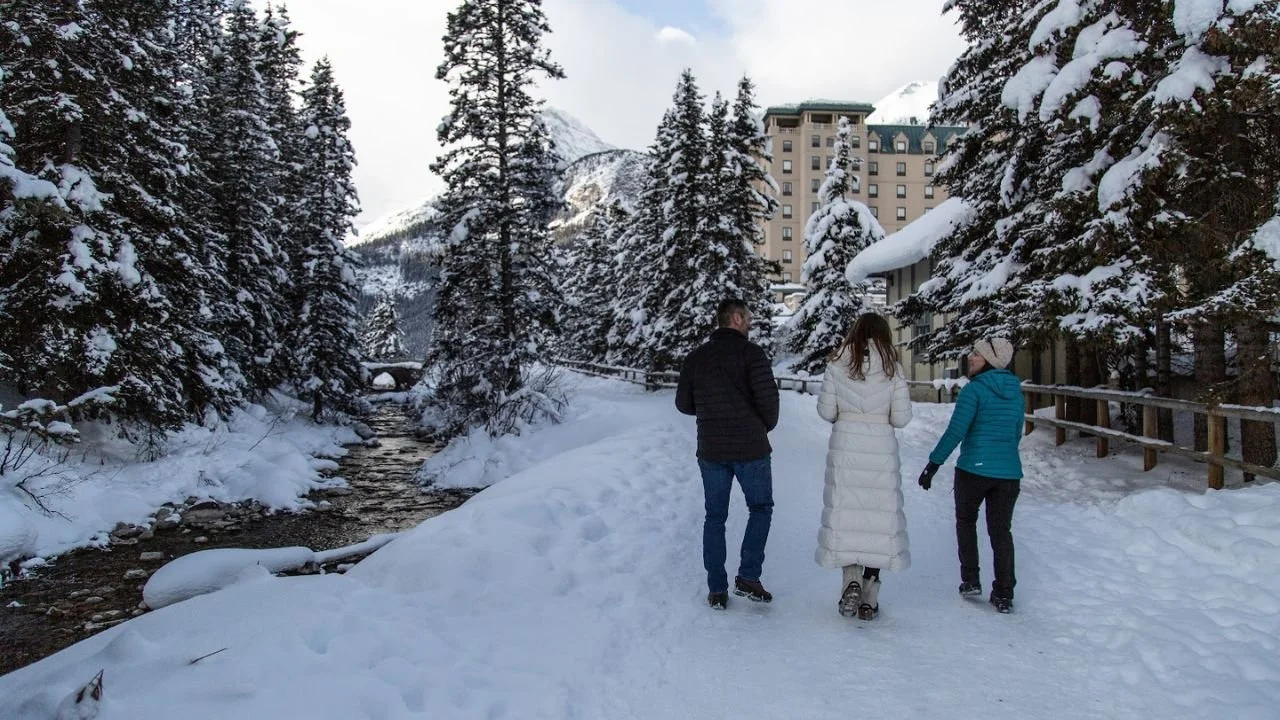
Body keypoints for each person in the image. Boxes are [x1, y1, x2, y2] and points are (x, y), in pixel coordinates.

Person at [676, 299, 780, 610]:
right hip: (751, 448)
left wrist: (710, 411)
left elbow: (683, 403)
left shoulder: (696, 358)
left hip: (712, 449)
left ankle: (717, 588)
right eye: (747, 317)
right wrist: (761, 426)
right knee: (760, 508)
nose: (750, 322)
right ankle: (748, 576)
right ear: (735, 318)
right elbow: (769, 401)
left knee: (715, 517)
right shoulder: (752, 354)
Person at [814, 313, 913, 620]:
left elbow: (826, 410)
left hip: (847, 447)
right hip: (880, 449)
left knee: (848, 518)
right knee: (876, 523)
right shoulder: (892, 369)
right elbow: (901, 418)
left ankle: (850, 579)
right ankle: (869, 596)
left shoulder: (837, 364)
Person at [917, 338, 1024, 614]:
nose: (971, 357)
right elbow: (1015, 433)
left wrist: (933, 465)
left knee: (966, 522)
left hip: (973, 470)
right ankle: (1004, 592)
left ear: (989, 360)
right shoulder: (1016, 392)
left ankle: (971, 580)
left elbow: (956, 432)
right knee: (1001, 531)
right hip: (1009, 473)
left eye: (977, 354)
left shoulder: (973, 391)